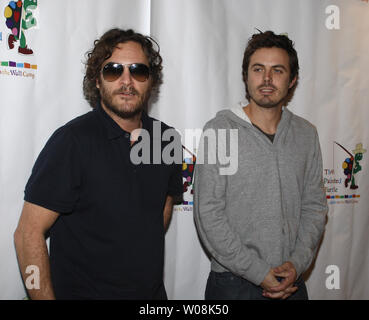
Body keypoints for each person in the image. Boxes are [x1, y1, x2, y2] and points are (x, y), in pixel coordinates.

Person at [14, 28, 182, 300]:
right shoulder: (71, 143)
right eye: (113, 70)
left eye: (138, 71)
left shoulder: (166, 139)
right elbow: (27, 234)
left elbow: (161, 209)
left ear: (150, 81)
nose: (127, 81)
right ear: (97, 80)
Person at [193, 31, 328, 300]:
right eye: (258, 69)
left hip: (291, 281)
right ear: (246, 76)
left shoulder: (306, 134)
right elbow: (208, 214)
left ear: (292, 80)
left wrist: (297, 264)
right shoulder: (219, 130)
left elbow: (314, 206)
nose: (266, 79)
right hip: (233, 283)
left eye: (277, 71)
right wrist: (258, 272)